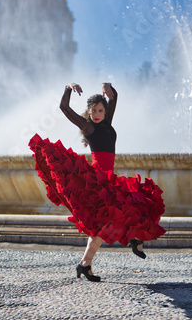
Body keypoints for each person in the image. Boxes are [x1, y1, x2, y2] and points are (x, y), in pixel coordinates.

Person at [29, 82, 166, 282]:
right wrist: (68, 88)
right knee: (104, 225)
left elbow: (114, 97)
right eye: (93, 111)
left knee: (138, 200)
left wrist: (108, 87)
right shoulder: (88, 127)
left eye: (100, 110)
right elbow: (64, 109)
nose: (97, 114)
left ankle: (87, 264)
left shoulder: (108, 123)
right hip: (96, 183)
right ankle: (129, 243)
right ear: (90, 112)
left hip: (109, 180)